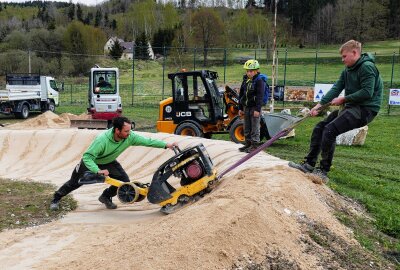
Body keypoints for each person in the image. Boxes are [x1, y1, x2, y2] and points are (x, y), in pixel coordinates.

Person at [289, 40, 383, 183]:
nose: (342, 60)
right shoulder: (347, 70)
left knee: (330, 130)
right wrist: (318, 106)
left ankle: (323, 171)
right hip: (351, 107)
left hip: (366, 109)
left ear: (354, 53)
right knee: (319, 127)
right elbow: (335, 89)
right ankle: (308, 164)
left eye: (344, 56)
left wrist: (343, 99)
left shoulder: (367, 67)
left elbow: (367, 92)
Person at [50, 116, 178, 210]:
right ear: (117, 131)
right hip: (91, 162)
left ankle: (105, 197)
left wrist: (167, 145)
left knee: (124, 181)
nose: (129, 133)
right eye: (126, 131)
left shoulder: (130, 137)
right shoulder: (102, 140)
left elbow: (147, 141)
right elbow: (87, 157)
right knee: (74, 183)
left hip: (109, 162)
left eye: (130, 130)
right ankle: (56, 198)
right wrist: (97, 171)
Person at [238, 59, 265, 153]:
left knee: (255, 127)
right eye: (247, 71)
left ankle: (255, 145)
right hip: (246, 107)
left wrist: (258, 109)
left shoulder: (259, 81)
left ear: (256, 70)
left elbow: (260, 96)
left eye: (251, 71)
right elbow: (241, 94)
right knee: (247, 126)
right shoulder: (245, 80)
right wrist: (240, 108)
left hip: (254, 108)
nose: (249, 73)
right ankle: (248, 144)